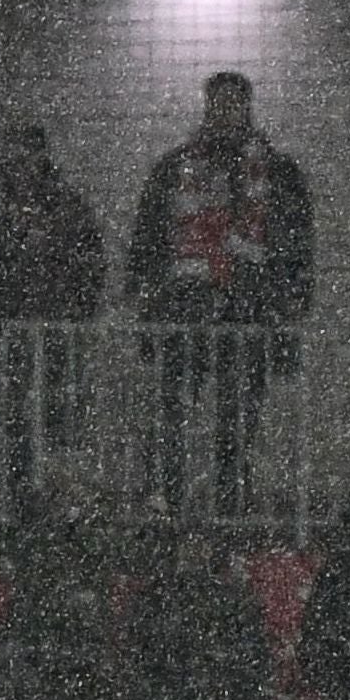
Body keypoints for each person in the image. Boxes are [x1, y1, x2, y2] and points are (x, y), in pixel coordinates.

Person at [124, 74, 313, 514]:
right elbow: (150, 230)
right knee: (173, 410)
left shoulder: (275, 170)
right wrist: (143, 286)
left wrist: (292, 293)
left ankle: (230, 501)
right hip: (185, 305)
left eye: (234, 104)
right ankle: (170, 498)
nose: (226, 112)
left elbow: (295, 237)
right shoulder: (176, 168)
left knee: (239, 414)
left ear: (247, 108)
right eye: (219, 103)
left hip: (247, 307)